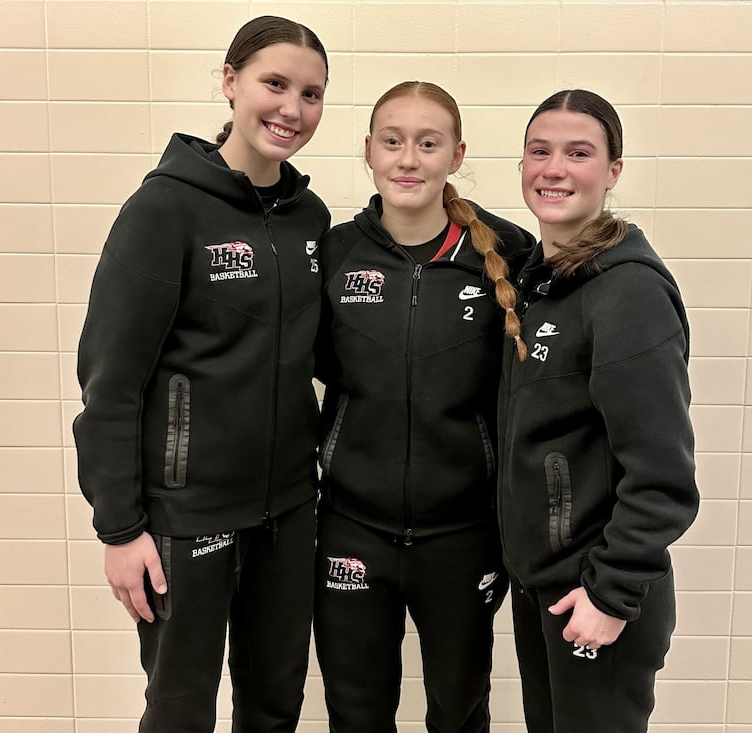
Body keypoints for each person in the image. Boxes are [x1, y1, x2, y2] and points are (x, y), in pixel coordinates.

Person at [73, 16, 330, 733]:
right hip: (185, 517)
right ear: (229, 82)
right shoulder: (164, 208)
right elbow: (109, 384)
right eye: (274, 84)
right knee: (182, 708)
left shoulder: (309, 218)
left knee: (275, 704)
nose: (291, 108)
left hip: (287, 509)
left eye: (311, 94)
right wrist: (119, 527)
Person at [313, 80, 535, 733]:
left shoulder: (509, 253)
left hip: (462, 536)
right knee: (355, 714)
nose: (408, 158)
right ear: (370, 152)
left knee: (460, 711)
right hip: (352, 530)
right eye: (393, 141)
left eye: (428, 142)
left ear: (456, 154)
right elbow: (320, 369)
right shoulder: (335, 253)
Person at [497, 88, 700, 733]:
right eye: (540, 151)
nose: (554, 168)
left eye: (578, 153)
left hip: (596, 594)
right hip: (546, 589)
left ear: (612, 172)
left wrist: (611, 593)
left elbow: (662, 475)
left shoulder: (628, 292)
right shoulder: (536, 283)